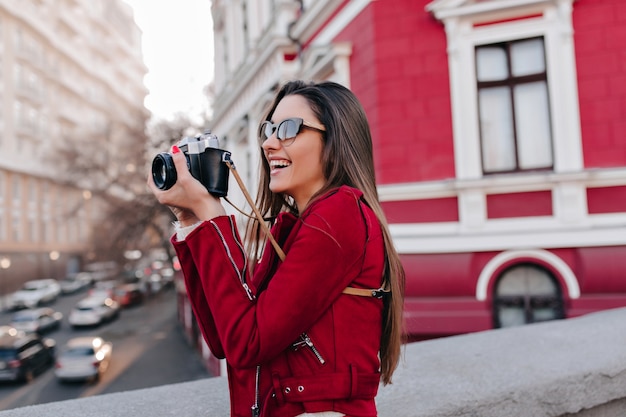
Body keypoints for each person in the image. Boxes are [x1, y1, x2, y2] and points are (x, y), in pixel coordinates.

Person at [149, 80, 405, 417]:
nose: (269, 144)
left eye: (288, 129)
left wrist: (212, 215)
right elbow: (223, 338)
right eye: (269, 130)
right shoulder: (294, 227)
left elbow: (246, 342)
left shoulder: (339, 217)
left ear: (334, 140)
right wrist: (191, 218)